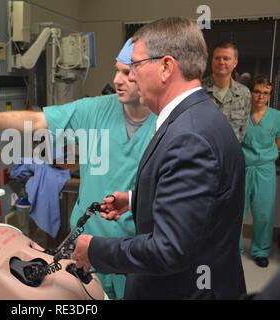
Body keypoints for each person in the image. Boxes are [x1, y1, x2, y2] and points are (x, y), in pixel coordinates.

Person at [0, 40, 157, 299]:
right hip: (85, 250)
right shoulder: (96, 109)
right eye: (116, 70)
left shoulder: (165, 123)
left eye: (127, 73)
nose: (117, 80)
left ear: (149, 73)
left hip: (133, 255)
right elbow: (36, 119)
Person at [72, 17, 247, 300]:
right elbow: (199, 204)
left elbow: (169, 250)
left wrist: (95, 250)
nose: (131, 77)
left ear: (166, 67)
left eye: (136, 66)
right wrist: (136, 199)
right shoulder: (197, 116)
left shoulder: (189, 138)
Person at [240, 76, 280, 268]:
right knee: (237, 211)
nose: (260, 96)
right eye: (257, 91)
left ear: (270, 95)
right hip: (243, 167)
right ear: (251, 92)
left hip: (265, 169)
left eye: (265, 93)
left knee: (264, 213)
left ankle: (260, 251)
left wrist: (266, 154)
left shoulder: (276, 116)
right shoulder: (241, 113)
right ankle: (233, 248)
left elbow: (279, 142)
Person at [202, 42, 251, 143]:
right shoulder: (197, 90)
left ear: (235, 63)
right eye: (217, 58)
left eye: (226, 58)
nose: (221, 62)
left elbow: (242, 130)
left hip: (230, 154)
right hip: (203, 153)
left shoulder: (244, 93)